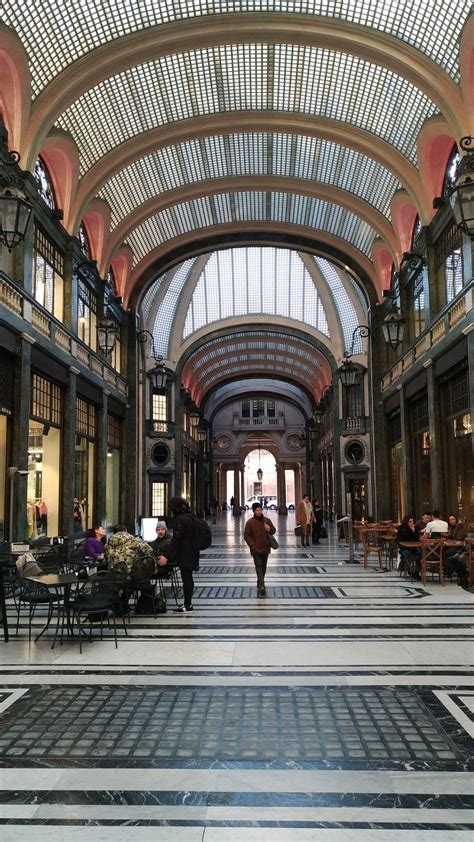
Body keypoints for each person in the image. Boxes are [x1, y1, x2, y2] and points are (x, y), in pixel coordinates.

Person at [158, 496, 200, 614]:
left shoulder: (181, 520)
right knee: (188, 579)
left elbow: (176, 540)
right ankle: (188, 603)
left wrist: (166, 556)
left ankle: (187, 605)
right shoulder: (190, 517)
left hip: (185, 554)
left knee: (186, 579)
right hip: (193, 552)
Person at [244, 502, 276, 597]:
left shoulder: (267, 520)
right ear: (254, 511)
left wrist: (269, 529)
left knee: (264, 567)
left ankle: (259, 582)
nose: (259, 511)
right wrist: (253, 546)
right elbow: (247, 536)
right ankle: (262, 586)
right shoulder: (250, 522)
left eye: (260, 509)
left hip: (265, 548)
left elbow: (273, 530)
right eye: (257, 510)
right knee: (258, 566)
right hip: (256, 550)